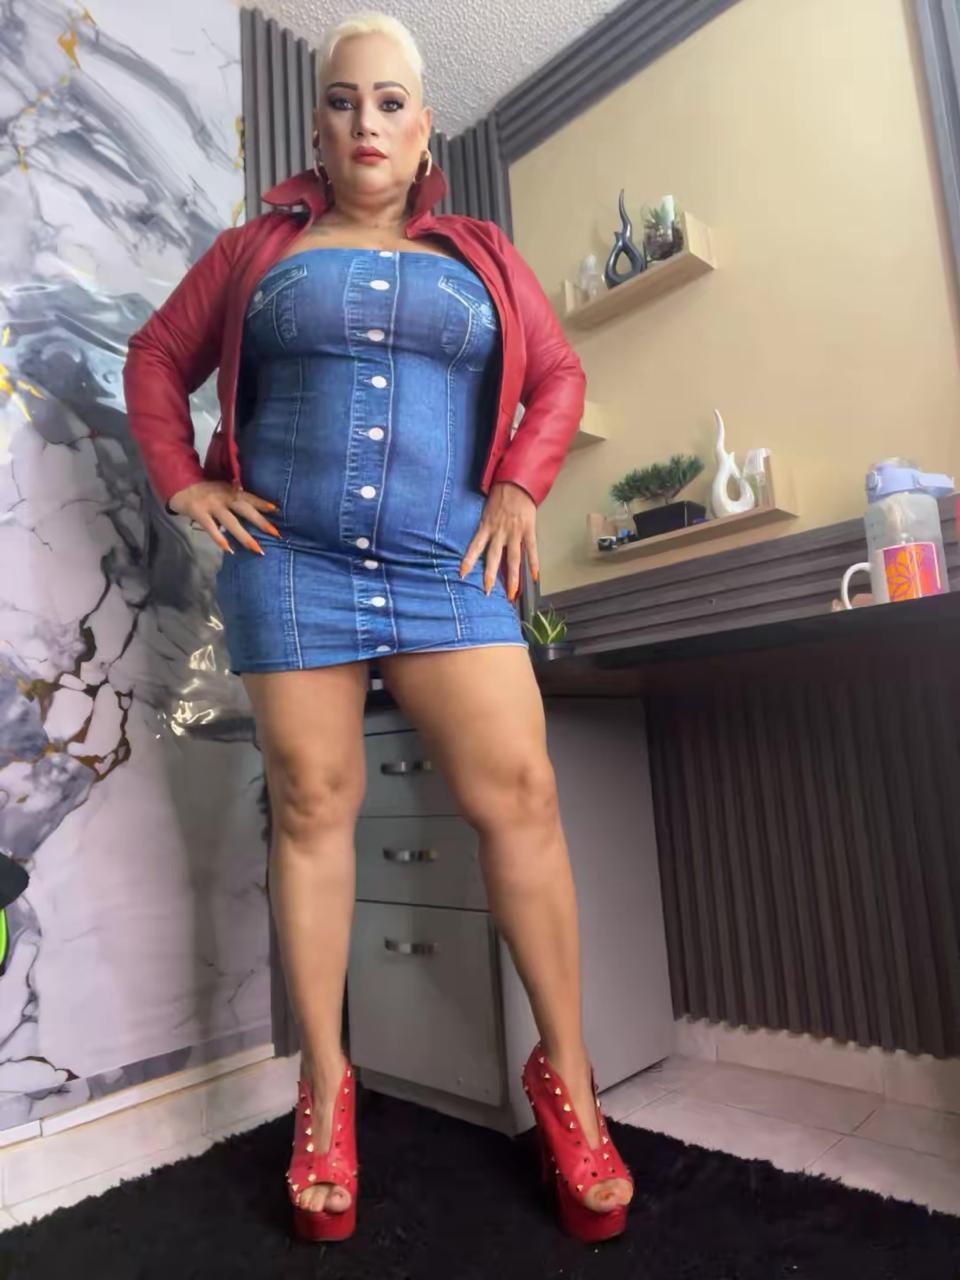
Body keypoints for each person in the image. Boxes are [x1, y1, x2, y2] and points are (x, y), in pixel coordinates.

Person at [122, 10, 634, 1246]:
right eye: (344, 100)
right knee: (313, 805)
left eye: (390, 101)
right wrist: (186, 482)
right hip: (291, 562)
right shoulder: (255, 249)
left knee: (521, 793)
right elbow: (154, 359)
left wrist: (521, 486)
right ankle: (325, 1085)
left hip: (448, 563)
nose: (367, 121)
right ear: (319, 125)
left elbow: (558, 375)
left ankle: (569, 1080)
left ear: (423, 127)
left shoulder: (483, 253)